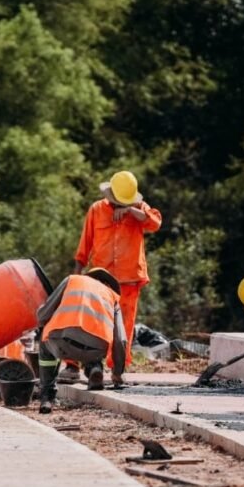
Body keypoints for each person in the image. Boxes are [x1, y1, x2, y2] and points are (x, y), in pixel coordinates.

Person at [66, 170, 162, 383]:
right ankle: (90, 365)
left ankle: (118, 369)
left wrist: (130, 211)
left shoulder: (139, 209)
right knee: (95, 323)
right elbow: (85, 245)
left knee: (125, 327)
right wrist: (76, 274)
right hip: (101, 279)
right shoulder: (97, 210)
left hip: (130, 279)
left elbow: (155, 223)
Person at [35, 268, 128, 414]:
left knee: (45, 340)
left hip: (62, 344)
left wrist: (40, 313)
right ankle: (95, 368)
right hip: (94, 350)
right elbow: (120, 340)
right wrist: (117, 373)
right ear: (108, 285)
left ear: (89, 277)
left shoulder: (73, 280)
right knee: (94, 340)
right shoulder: (113, 297)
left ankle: (47, 396)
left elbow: (43, 316)